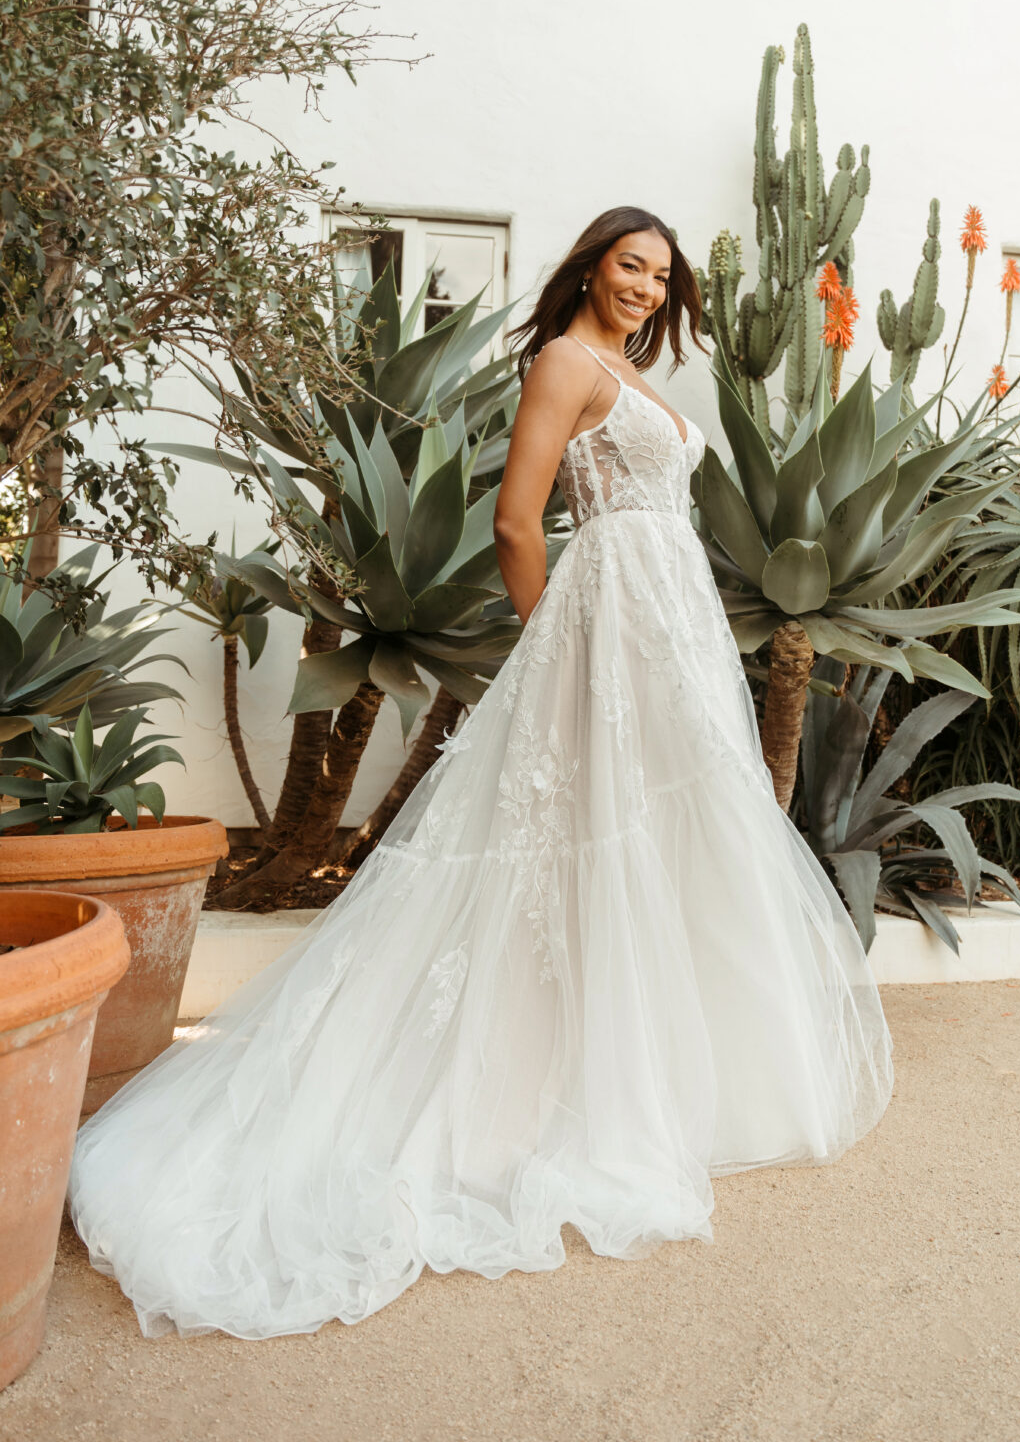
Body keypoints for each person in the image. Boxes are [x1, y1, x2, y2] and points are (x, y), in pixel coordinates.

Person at [69, 206, 894, 1341]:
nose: (646, 288)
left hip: (665, 631)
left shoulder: (623, 369)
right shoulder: (564, 361)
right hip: (605, 626)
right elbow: (517, 520)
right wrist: (561, 639)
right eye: (628, 266)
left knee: (667, 837)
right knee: (582, 837)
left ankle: (647, 1081)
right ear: (590, 269)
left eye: (660, 275)